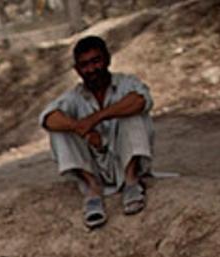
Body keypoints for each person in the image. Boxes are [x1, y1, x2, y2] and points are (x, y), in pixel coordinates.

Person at [39, 35, 154, 229]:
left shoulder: (126, 83)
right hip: (95, 168)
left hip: (125, 161)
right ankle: (92, 190)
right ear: (77, 70)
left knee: (133, 114)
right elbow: (48, 117)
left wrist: (96, 118)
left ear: (107, 59)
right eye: (84, 65)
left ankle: (131, 182)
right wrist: (80, 128)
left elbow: (141, 100)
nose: (91, 69)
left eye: (96, 61)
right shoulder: (74, 97)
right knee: (59, 129)